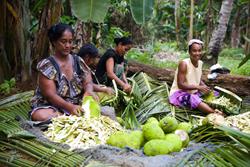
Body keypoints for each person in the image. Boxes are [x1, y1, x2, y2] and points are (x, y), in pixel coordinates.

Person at [30, 23, 96, 121]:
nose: (68, 45)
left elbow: (88, 81)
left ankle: (70, 117)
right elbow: (50, 96)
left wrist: (88, 90)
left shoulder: (78, 60)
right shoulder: (47, 65)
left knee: (97, 98)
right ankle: (65, 117)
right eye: (63, 41)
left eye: (70, 41)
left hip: (76, 103)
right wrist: (70, 107)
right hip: (52, 106)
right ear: (54, 42)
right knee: (40, 115)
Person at [169, 39, 223, 115]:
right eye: (194, 51)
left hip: (193, 92)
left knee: (214, 93)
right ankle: (214, 113)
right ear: (189, 52)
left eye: (199, 50)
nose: (197, 53)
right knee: (193, 99)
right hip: (179, 94)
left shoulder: (200, 63)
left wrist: (204, 86)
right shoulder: (184, 64)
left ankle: (213, 107)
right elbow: (180, 85)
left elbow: (197, 78)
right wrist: (198, 87)